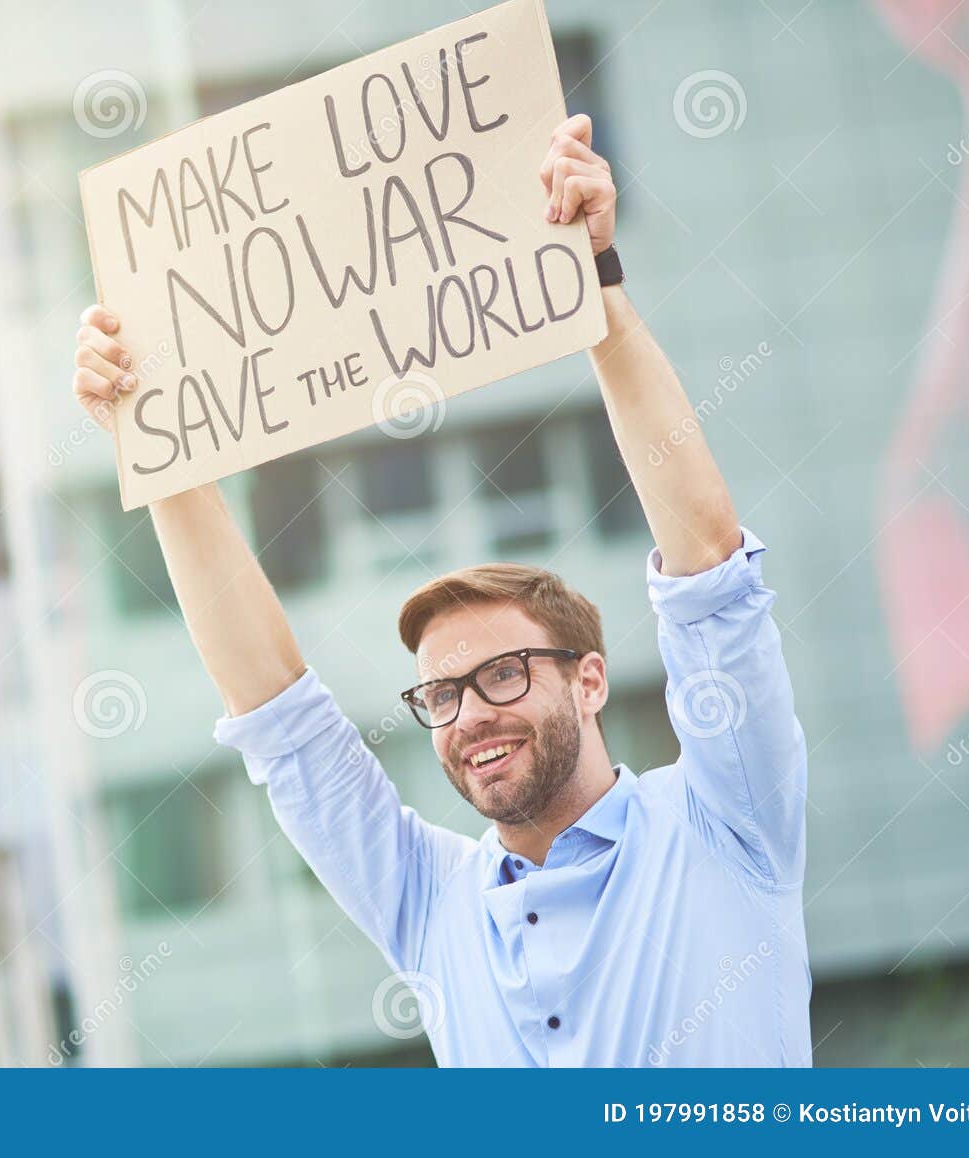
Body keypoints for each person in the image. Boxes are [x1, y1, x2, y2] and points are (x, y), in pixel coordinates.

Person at [71, 114, 810, 1067]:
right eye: (443, 694)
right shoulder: (430, 902)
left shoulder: (725, 820)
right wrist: (158, 445)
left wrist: (597, 289)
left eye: (502, 674)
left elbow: (708, 564)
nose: (467, 716)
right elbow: (277, 713)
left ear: (590, 680)